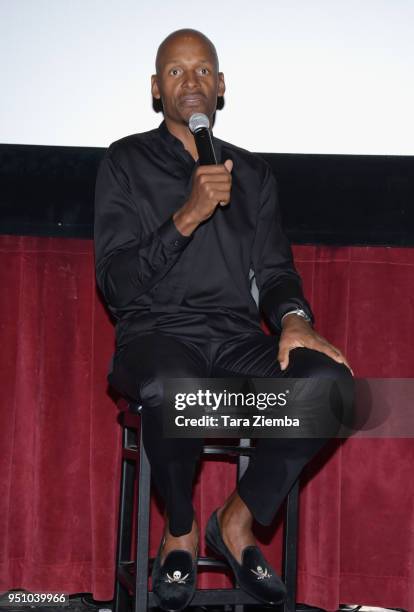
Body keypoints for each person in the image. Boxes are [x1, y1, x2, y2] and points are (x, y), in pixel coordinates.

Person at [94, 28, 354, 611]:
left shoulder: (254, 175)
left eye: (204, 71)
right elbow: (115, 283)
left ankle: (236, 519)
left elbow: (274, 271)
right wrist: (186, 215)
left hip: (236, 342)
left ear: (222, 87)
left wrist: (291, 317)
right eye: (177, 72)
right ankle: (180, 529)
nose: (192, 81)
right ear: (156, 90)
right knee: (172, 388)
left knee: (332, 388)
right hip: (158, 336)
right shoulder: (125, 162)